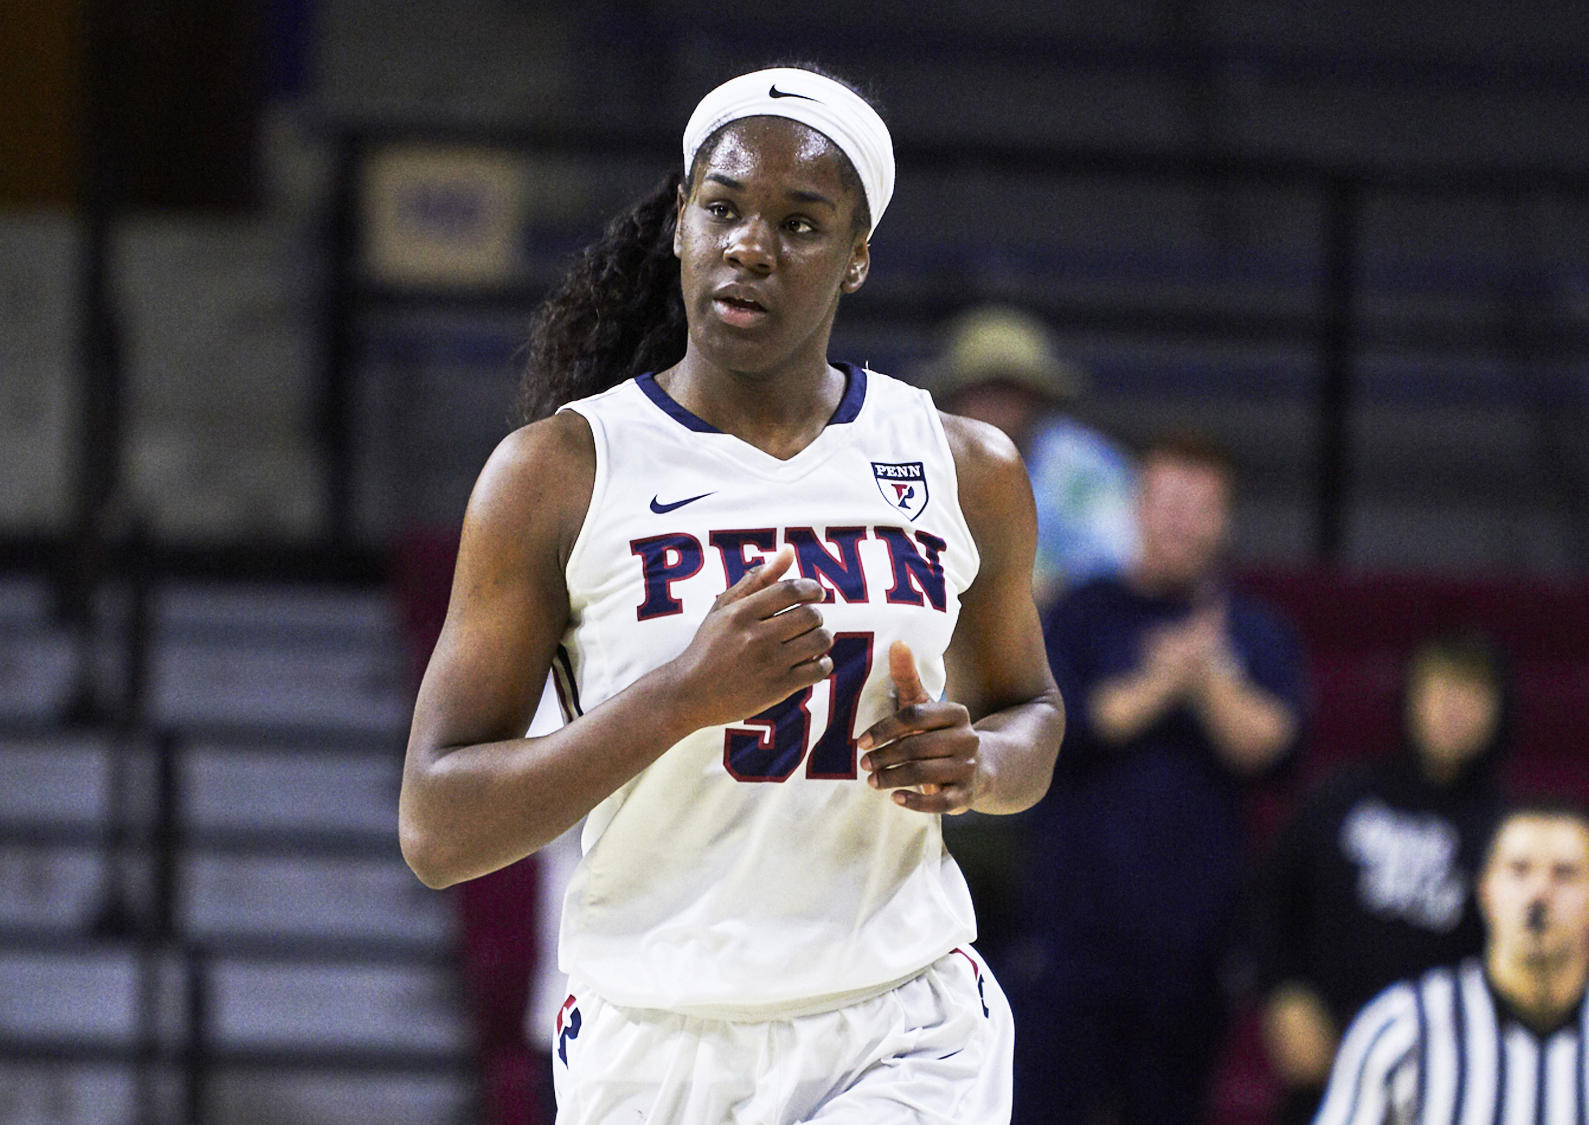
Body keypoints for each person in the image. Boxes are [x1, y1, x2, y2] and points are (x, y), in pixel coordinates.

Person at [398, 64, 1065, 1125]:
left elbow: (1029, 712)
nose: (751, 245)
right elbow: (437, 829)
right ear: (679, 223)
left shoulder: (961, 466)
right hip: (651, 1040)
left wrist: (975, 763)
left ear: (855, 261)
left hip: (900, 1022)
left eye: (801, 224)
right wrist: (676, 698)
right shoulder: (558, 473)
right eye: (722, 208)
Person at [1013, 431, 1307, 1125]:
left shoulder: (1257, 631)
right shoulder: (1081, 613)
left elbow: (1271, 747)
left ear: (1225, 521)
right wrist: (1160, 681)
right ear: (1138, 506)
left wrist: (1207, 678)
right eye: (1166, 501)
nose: (1178, 521)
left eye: (1198, 506)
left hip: (1194, 946)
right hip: (1072, 936)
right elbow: (1057, 728)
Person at [1312, 802, 1589, 1125]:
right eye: (1519, 870)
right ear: (1485, 890)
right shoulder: (1401, 1032)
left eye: (1565, 874)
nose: (1539, 893)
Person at [1253, 631, 1513, 1125]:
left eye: (1472, 693)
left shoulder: (1511, 834)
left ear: (1499, 711)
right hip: (1326, 1067)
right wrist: (1283, 993)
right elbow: (1271, 900)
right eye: (1439, 689)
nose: (1453, 709)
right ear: (1410, 699)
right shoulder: (1339, 796)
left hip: (1451, 1084)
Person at [922, 305, 1138, 604]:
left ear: (1036, 396)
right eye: (982, 389)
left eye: (1009, 389)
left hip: (1066, 630)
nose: (996, 405)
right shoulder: (918, 462)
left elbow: (1120, 561)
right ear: (956, 395)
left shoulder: (1088, 467)